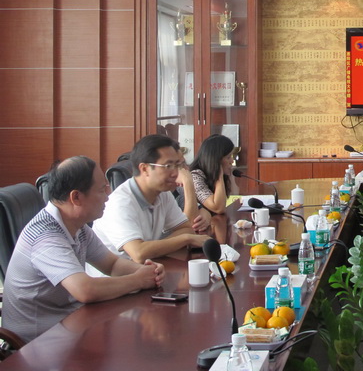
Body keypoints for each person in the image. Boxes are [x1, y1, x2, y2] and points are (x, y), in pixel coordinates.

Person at [2, 156, 165, 342]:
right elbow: (86, 290)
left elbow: (112, 265)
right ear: (76, 197)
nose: (108, 196)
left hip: (69, 324)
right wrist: (139, 280)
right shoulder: (45, 236)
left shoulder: (76, 226)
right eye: (102, 189)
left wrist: (147, 271)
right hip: (36, 343)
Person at [92, 134, 209, 263]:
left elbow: (186, 228)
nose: (176, 173)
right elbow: (138, 253)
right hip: (115, 274)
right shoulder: (120, 203)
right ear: (145, 169)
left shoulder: (163, 194)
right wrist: (186, 239)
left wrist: (152, 248)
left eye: (178, 165)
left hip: (148, 268)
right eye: (168, 166)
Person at [184, 134, 238, 215]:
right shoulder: (195, 176)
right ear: (216, 160)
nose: (232, 161)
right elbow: (218, 208)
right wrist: (219, 177)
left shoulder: (213, 174)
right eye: (228, 157)